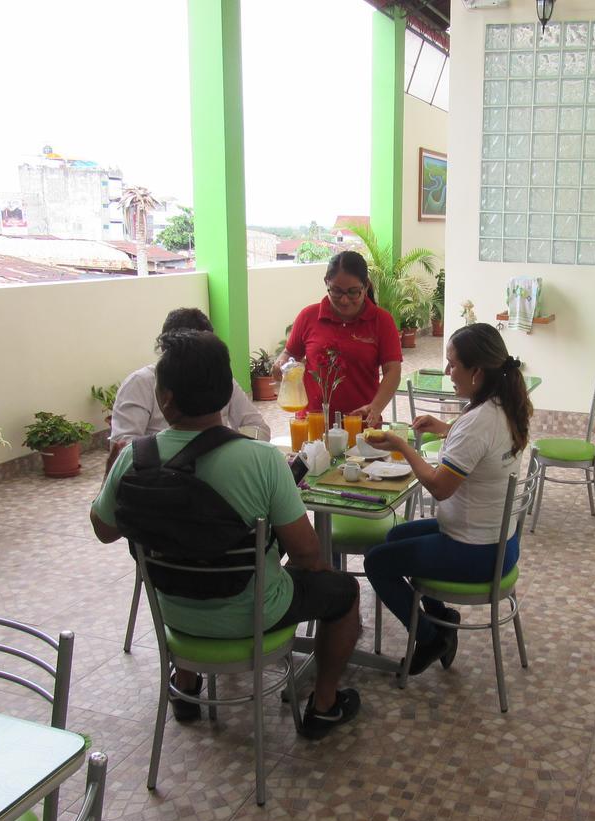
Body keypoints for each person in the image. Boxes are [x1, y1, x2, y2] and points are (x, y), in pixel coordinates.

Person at [91, 329, 362, 739]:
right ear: (225, 394)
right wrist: (312, 576)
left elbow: (104, 530)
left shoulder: (136, 457)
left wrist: (109, 474)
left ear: (165, 397)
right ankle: (324, 705)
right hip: (252, 614)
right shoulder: (262, 461)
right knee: (342, 592)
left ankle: (185, 685)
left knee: (183, 550)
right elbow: (307, 554)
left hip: (174, 616)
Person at [363, 323, 533, 674]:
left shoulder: (479, 421)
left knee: (377, 562)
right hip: (501, 543)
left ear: (477, 372)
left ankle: (430, 637)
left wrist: (402, 445)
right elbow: (480, 445)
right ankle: (442, 616)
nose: (447, 372)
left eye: (453, 364)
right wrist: (442, 428)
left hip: (475, 553)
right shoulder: (501, 406)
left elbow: (440, 488)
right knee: (394, 537)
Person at [273, 251, 402, 428]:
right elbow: (289, 353)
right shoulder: (308, 316)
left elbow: (393, 371)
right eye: (336, 291)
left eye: (353, 292)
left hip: (360, 424)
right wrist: (281, 364)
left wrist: (375, 407)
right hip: (312, 424)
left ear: (366, 286)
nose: (344, 300)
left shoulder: (381, 320)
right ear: (326, 282)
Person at [110, 307, 270, 444]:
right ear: (167, 349)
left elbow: (258, 428)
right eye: (191, 351)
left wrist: (236, 452)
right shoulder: (140, 384)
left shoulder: (217, 378)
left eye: (206, 350)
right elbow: (124, 445)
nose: (199, 360)